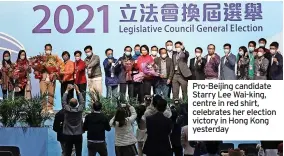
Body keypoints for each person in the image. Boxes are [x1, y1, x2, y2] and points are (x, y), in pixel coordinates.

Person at [40, 44, 64, 114]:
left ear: (51, 49)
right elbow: (38, 68)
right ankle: (43, 108)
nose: (48, 50)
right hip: (43, 78)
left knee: (51, 93)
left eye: (49, 49)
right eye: (47, 49)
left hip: (52, 78)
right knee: (43, 94)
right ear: (44, 50)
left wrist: (56, 68)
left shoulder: (55, 57)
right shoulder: (41, 58)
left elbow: (60, 65)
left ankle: (50, 108)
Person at [62, 84, 85, 156]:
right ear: (77, 104)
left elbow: (63, 101)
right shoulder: (80, 110)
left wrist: (67, 90)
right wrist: (77, 90)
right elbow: (82, 101)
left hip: (68, 135)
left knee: (68, 152)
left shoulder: (67, 109)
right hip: (78, 134)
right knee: (79, 152)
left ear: (69, 103)